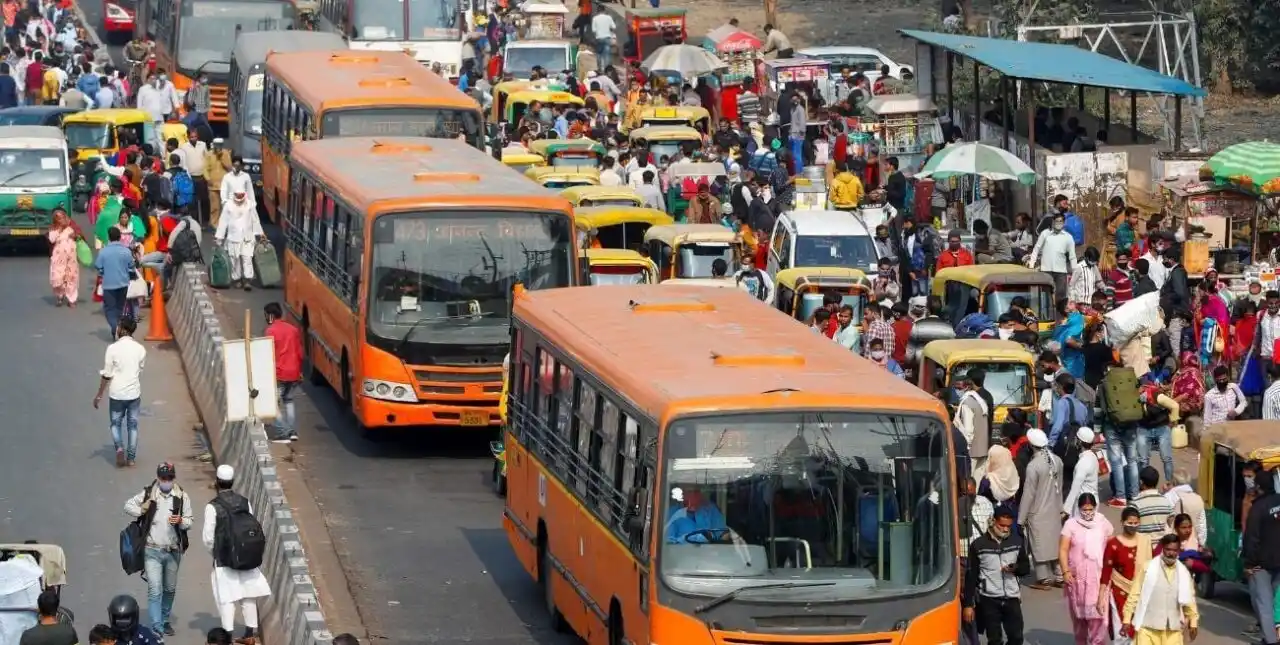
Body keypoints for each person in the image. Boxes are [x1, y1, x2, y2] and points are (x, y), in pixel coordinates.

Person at [123, 462, 194, 637]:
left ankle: (164, 619)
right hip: (152, 550)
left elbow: (189, 521)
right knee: (155, 588)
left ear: (173, 478)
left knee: (169, 589)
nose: (166, 481)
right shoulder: (149, 494)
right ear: (158, 478)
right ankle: (156, 625)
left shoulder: (182, 496)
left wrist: (180, 521)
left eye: (169, 478)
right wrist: (142, 509)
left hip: (173, 550)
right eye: (163, 478)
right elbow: (127, 506)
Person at [204, 465, 272, 645]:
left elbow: (208, 538)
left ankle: (227, 638)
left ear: (217, 482)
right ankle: (250, 635)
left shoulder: (213, 507)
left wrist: (216, 552)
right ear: (232, 481)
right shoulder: (244, 502)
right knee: (248, 595)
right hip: (246, 556)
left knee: (226, 598)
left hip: (224, 559)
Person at [962, 506, 1031, 645]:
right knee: (994, 639)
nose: (1005, 529)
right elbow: (971, 576)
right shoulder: (978, 545)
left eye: (1008, 526)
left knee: (1016, 637)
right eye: (1002, 525)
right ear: (993, 521)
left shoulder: (1017, 542)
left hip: (1012, 597)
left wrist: (1015, 568)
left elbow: (1025, 568)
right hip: (989, 599)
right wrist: (968, 605)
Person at [1121, 534, 1200, 645]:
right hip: (1148, 629)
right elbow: (1135, 594)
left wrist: (1193, 623)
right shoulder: (1148, 568)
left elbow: (1189, 599)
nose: (1171, 553)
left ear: (1178, 551)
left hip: (1172, 631)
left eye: (1174, 550)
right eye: (1168, 549)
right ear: (1163, 548)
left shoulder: (1183, 573)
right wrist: (1127, 619)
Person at [1058, 492, 1112, 645]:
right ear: (1079, 508)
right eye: (1084, 509)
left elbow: (1111, 547)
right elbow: (1063, 549)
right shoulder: (1071, 524)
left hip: (1098, 577)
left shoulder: (1103, 522)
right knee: (1079, 619)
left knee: (1098, 618)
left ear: (1095, 507)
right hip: (1077, 579)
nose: (1088, 513)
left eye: (1090, 509)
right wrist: (1065, 571)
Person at [95, 315, 146, 467]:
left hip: (117, 394)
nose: (116, 329)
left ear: (122, 329)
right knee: (133, 425)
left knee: (115, 424)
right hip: (134, 393)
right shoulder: (140, 349)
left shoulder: (112, 349)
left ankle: (119, 448)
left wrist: (99, 394)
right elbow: (140, 370)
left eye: (118, 326)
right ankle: (131, 458)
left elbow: (107, 374)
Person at [1100, 507, 1155, 641]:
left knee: (1141, 629)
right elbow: (1106, 570)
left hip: (1141, 593)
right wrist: (1101, 596)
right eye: (1129, 523)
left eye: (1136, 523)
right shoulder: (1113, 544)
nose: (1133, 526)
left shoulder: (1145, 541)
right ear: (1122, 522)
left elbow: (1152, 569)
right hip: (1119, 591)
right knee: (1121, 628)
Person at [1019, 428, 1064, 589]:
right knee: (1054, 544)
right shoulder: (1057, 460)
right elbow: (1060, 487)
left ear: (1031, 445)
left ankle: (1043, 579)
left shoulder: (1033, 466)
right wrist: (1060, 508)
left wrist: (1020, 518)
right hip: (1054, 510)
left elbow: (1028, 494)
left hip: (1037, 512)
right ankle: (1060, 575)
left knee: (1038, 546)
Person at [264, 303, 303, 443]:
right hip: (294, 372)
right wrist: (299, 371)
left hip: (279, 373)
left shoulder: (270, 331)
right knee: (289, 400)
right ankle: (292, 431)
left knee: (272, 403)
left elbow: (268, 353)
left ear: (270, 315)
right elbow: (299, 352)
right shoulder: (293, 329)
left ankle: (283, 431)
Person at [214, 190, 265, 291]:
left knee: (247, 259)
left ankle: (247, 280)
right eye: (238, 194)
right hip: (233, 237)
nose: (239, 196)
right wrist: (219, 239)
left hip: (247, 237)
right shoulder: (228, 205)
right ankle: (237, 279)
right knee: (234, 259)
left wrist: (261, 234)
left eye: (241, 194)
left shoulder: (250, 205)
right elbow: (223, 223)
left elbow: (255, 220)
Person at [95, 226, 136, 336]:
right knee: (119, 307)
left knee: (109, 309)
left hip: (109, 285)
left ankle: (115, 327)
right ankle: (118, 328)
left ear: (109, 237)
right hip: (123, 284)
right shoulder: (126, 251)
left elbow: (98, 266)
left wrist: (103, 272)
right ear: (119, 237)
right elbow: (131, 266)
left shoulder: (103, 252)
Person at [1029, 212, 1077, 300]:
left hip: (1061, 271)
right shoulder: (1045, 234)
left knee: (1061, 295)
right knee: (1045, 296)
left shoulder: (1068, 237)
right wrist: (1032, 264)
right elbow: (1036, 249)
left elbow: (1072, 256)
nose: (1058, 223)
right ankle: (1046, 313)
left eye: (1061, 221)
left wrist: (1074, 271)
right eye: (1057, 221)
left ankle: (1059, 313)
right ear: (1053, 221)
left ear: (1064, 223)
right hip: (1046, 270)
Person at [952, 372, 989, 474]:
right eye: (956, 388)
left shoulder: (967, 403)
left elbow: (968, 430)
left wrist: (966, 449)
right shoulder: (980, 401)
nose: (957, 391)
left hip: (971, 452)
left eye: (959, 388)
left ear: (967, 387)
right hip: (982, 450)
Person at [46, 208, 82, 308]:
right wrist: (60, 229)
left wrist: (75, 235)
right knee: (58, 277)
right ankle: (59, 296)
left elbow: (79, 236)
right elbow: (51, 240)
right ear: (55, 220)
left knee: (71, 277)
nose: (61, 220)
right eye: (58, 218)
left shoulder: (72, 227)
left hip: (71, 257)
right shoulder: (53, 229)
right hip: (58, 258)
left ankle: (72, 299)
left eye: (62, 217)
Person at [1063, 427, 1099, 518]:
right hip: (1092, 500)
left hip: (1084, 504)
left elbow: (1075, 488)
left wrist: (1066, 510)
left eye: (1076, 439)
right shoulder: (1092, 456)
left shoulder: (1083, 463)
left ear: (1079, 442)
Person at [1131, 465, 1174, 536]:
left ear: (1141, 482)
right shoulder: (1166, 501)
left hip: (1143, 545)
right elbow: (1171, 523)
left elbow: (1131, 528)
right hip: (1162, 544)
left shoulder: (1135, 504)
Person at [981, 444, 1020, 512]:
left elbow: (980, 501)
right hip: (1012, 515)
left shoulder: (988, 480)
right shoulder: (1014, 475)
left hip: (993, 516)